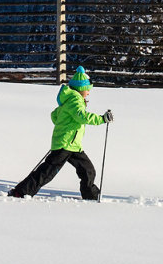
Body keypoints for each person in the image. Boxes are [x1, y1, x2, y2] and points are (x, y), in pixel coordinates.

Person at [8, 66, 112, 201]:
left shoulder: (69, 100)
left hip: (72, 145)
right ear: (81, 88)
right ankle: (21, 192)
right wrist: (102, 119)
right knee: (47, 172)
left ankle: (91, 196)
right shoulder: (74, 100)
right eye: (88, 89)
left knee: (88, 170)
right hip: (65, 144)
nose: (88, 93)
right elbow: (81, 116)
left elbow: (55, 115)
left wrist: (64, 123)